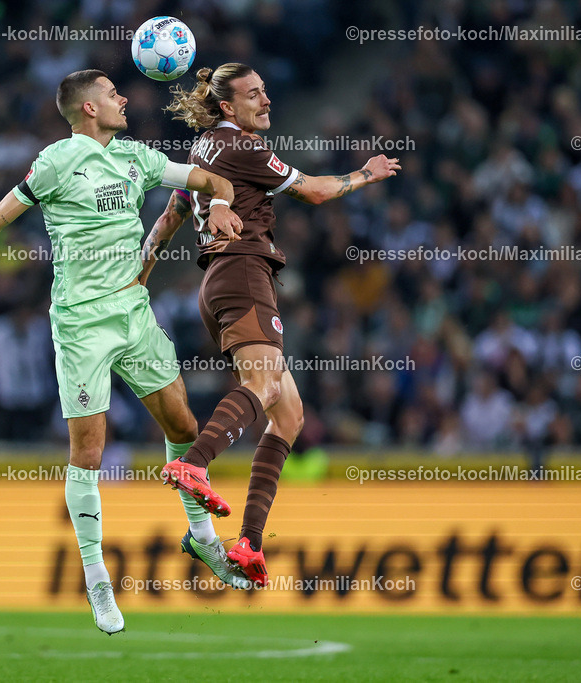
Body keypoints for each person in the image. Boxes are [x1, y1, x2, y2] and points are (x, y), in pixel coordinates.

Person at [0, 69, 251, 635]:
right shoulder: (55, 162)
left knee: (184, 425)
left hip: (133, 312)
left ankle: (203, 540)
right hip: (81, 325)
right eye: (112, 93)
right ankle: (97, 580)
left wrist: (221, 202)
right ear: (89, 108)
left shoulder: (136, 156)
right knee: (89, 452)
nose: (124, 98)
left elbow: (210, 178)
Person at [144, 63, 400, 586]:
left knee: (289, 416)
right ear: (227, 106)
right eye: (254, 95)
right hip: (244, 273)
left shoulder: (201, 151)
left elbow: (170, 217)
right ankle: (194, 463)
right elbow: (315, 191)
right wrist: (365, 174)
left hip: (219, 281)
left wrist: (141, 274)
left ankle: (249, 543)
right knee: (263, 385)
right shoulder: (244, 148)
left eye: (265, 92)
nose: (266, 101)